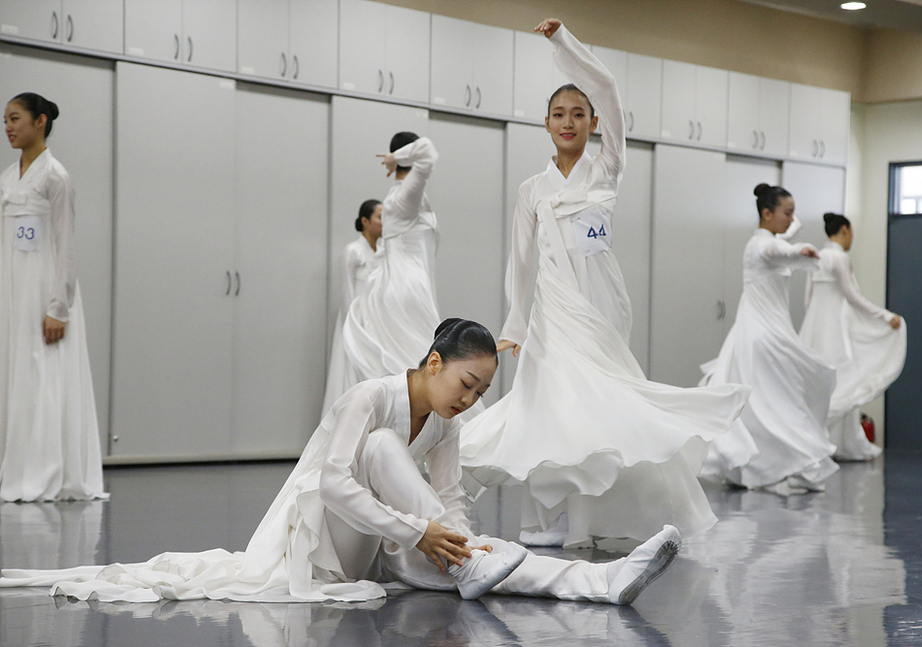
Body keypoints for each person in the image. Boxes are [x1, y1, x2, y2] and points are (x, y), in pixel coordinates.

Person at [1, 319, 682, 606]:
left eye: (480, 392)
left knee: (479, 544)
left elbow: (446, 501)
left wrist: (450, 537)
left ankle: (597, 581)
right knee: (385, 452)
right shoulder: (371, 396)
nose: (469, 399)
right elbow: (333, 481)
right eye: (466, 385)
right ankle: (472, 560)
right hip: (324, 548)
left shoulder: (445, 424)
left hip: (385, 549)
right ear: (434, 362)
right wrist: (423, 532)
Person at [459, 19, 749, 548]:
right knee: (551, 407)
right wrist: (517, 321)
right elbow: (520, 260)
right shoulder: (531, 189)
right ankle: (545, 520)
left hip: (602, 305)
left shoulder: (605, 168)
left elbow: (610, 89)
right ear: (545, 123)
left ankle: (595, 519)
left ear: (594, 122)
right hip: (553, 313)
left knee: (597, 406)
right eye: (558, 115)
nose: (568, 122)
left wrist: (561, 42)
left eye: (578, 114)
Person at [0, 92, 106, 502]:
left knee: (42, 374)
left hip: (43, 289)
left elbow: (66, 246)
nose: (8, 127)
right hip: (12, 287)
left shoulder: (55, 177)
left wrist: (58, 307)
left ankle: (45, 468)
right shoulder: (9, 178)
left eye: (15, 119)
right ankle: (15, 460)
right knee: (15, 372)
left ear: (40, 121)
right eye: (5, 120)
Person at [699, 184, 839, 495]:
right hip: (763, 337)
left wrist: (792, 239)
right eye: (787, 213)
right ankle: (772, 467)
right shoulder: (761, 246)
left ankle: (764, 466)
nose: (792, 219)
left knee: (770, 404)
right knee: (776, 404)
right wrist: (797, 250)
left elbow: (782, 242)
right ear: (767, 213)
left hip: (762, 333)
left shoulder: (769, 238)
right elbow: (777, 251)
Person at [337, 133, 442, 400]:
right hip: (406, 288)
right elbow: (428, 152)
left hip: (405, 285)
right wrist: (398, 159)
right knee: (422, 367)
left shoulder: (400, 199)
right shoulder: (404, 196)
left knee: (414, 363)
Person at [799, 213, 906, 460]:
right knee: (842, 379)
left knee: (816, 383)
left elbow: (808, 298)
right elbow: (852, 296)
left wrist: (810, 323)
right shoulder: (839, 257)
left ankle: (813, 440)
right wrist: (884, 315)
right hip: (835, 327)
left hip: (814, 326)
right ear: (844, 230)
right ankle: (837, 441)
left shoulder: (817, 256)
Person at [322, 199, 383, 418]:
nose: (384, 223)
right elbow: (347, 292)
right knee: (351, 370)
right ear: (365, 221)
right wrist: (355, 325)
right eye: (379, 217)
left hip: (377, 322)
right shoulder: (353, 251)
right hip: (355, 321)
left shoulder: (384, 251)